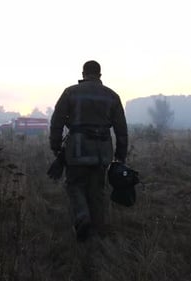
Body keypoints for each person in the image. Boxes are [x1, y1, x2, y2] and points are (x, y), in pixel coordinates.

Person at [50, 60, 128, 242]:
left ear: (83, 73)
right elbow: (121, 129)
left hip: (77, 151)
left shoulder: (70, 93)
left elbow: (57, 121)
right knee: (97, 190)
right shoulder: (112, 96)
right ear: (100, 75)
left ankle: (82, 216)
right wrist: (120, 155)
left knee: (75, 185)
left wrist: (55, 146)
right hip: (102, 154)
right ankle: (98, 233)